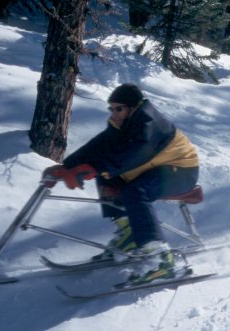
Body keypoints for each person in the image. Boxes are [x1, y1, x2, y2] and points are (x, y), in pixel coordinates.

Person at [42, 83, 200, 285]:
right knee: (107, 176)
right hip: (155, 169)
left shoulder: (149, 123)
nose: (114, 113)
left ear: (133, 107)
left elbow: (133, 155)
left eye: (119, 108)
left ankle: (160, 259)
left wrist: (93, 169)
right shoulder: (122, 125)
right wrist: (67, 167)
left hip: (182, 172)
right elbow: (97, 147)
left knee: (135, 190)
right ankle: (129, 234)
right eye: (112, 108)